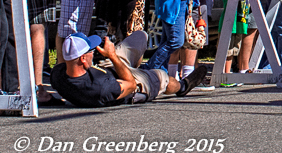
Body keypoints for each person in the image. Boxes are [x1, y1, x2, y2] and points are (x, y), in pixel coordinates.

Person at [50, 32, 207, 107]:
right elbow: (130, 84)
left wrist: (43, 95)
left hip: (108, 68)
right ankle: (183, 86)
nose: (94, 52)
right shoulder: (100, 88)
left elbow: (46, 94)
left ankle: (137, 67)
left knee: (140, 36)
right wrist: (112, 56)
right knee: (162, 77)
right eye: (91, 51)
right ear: (83, 59)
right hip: (128, 83)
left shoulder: (57, 74)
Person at [219, 0, 260, 82]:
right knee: (228, 49)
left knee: (235, 49)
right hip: (230, 22)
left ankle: (230, 73)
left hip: (241, 22)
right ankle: (225, 74)